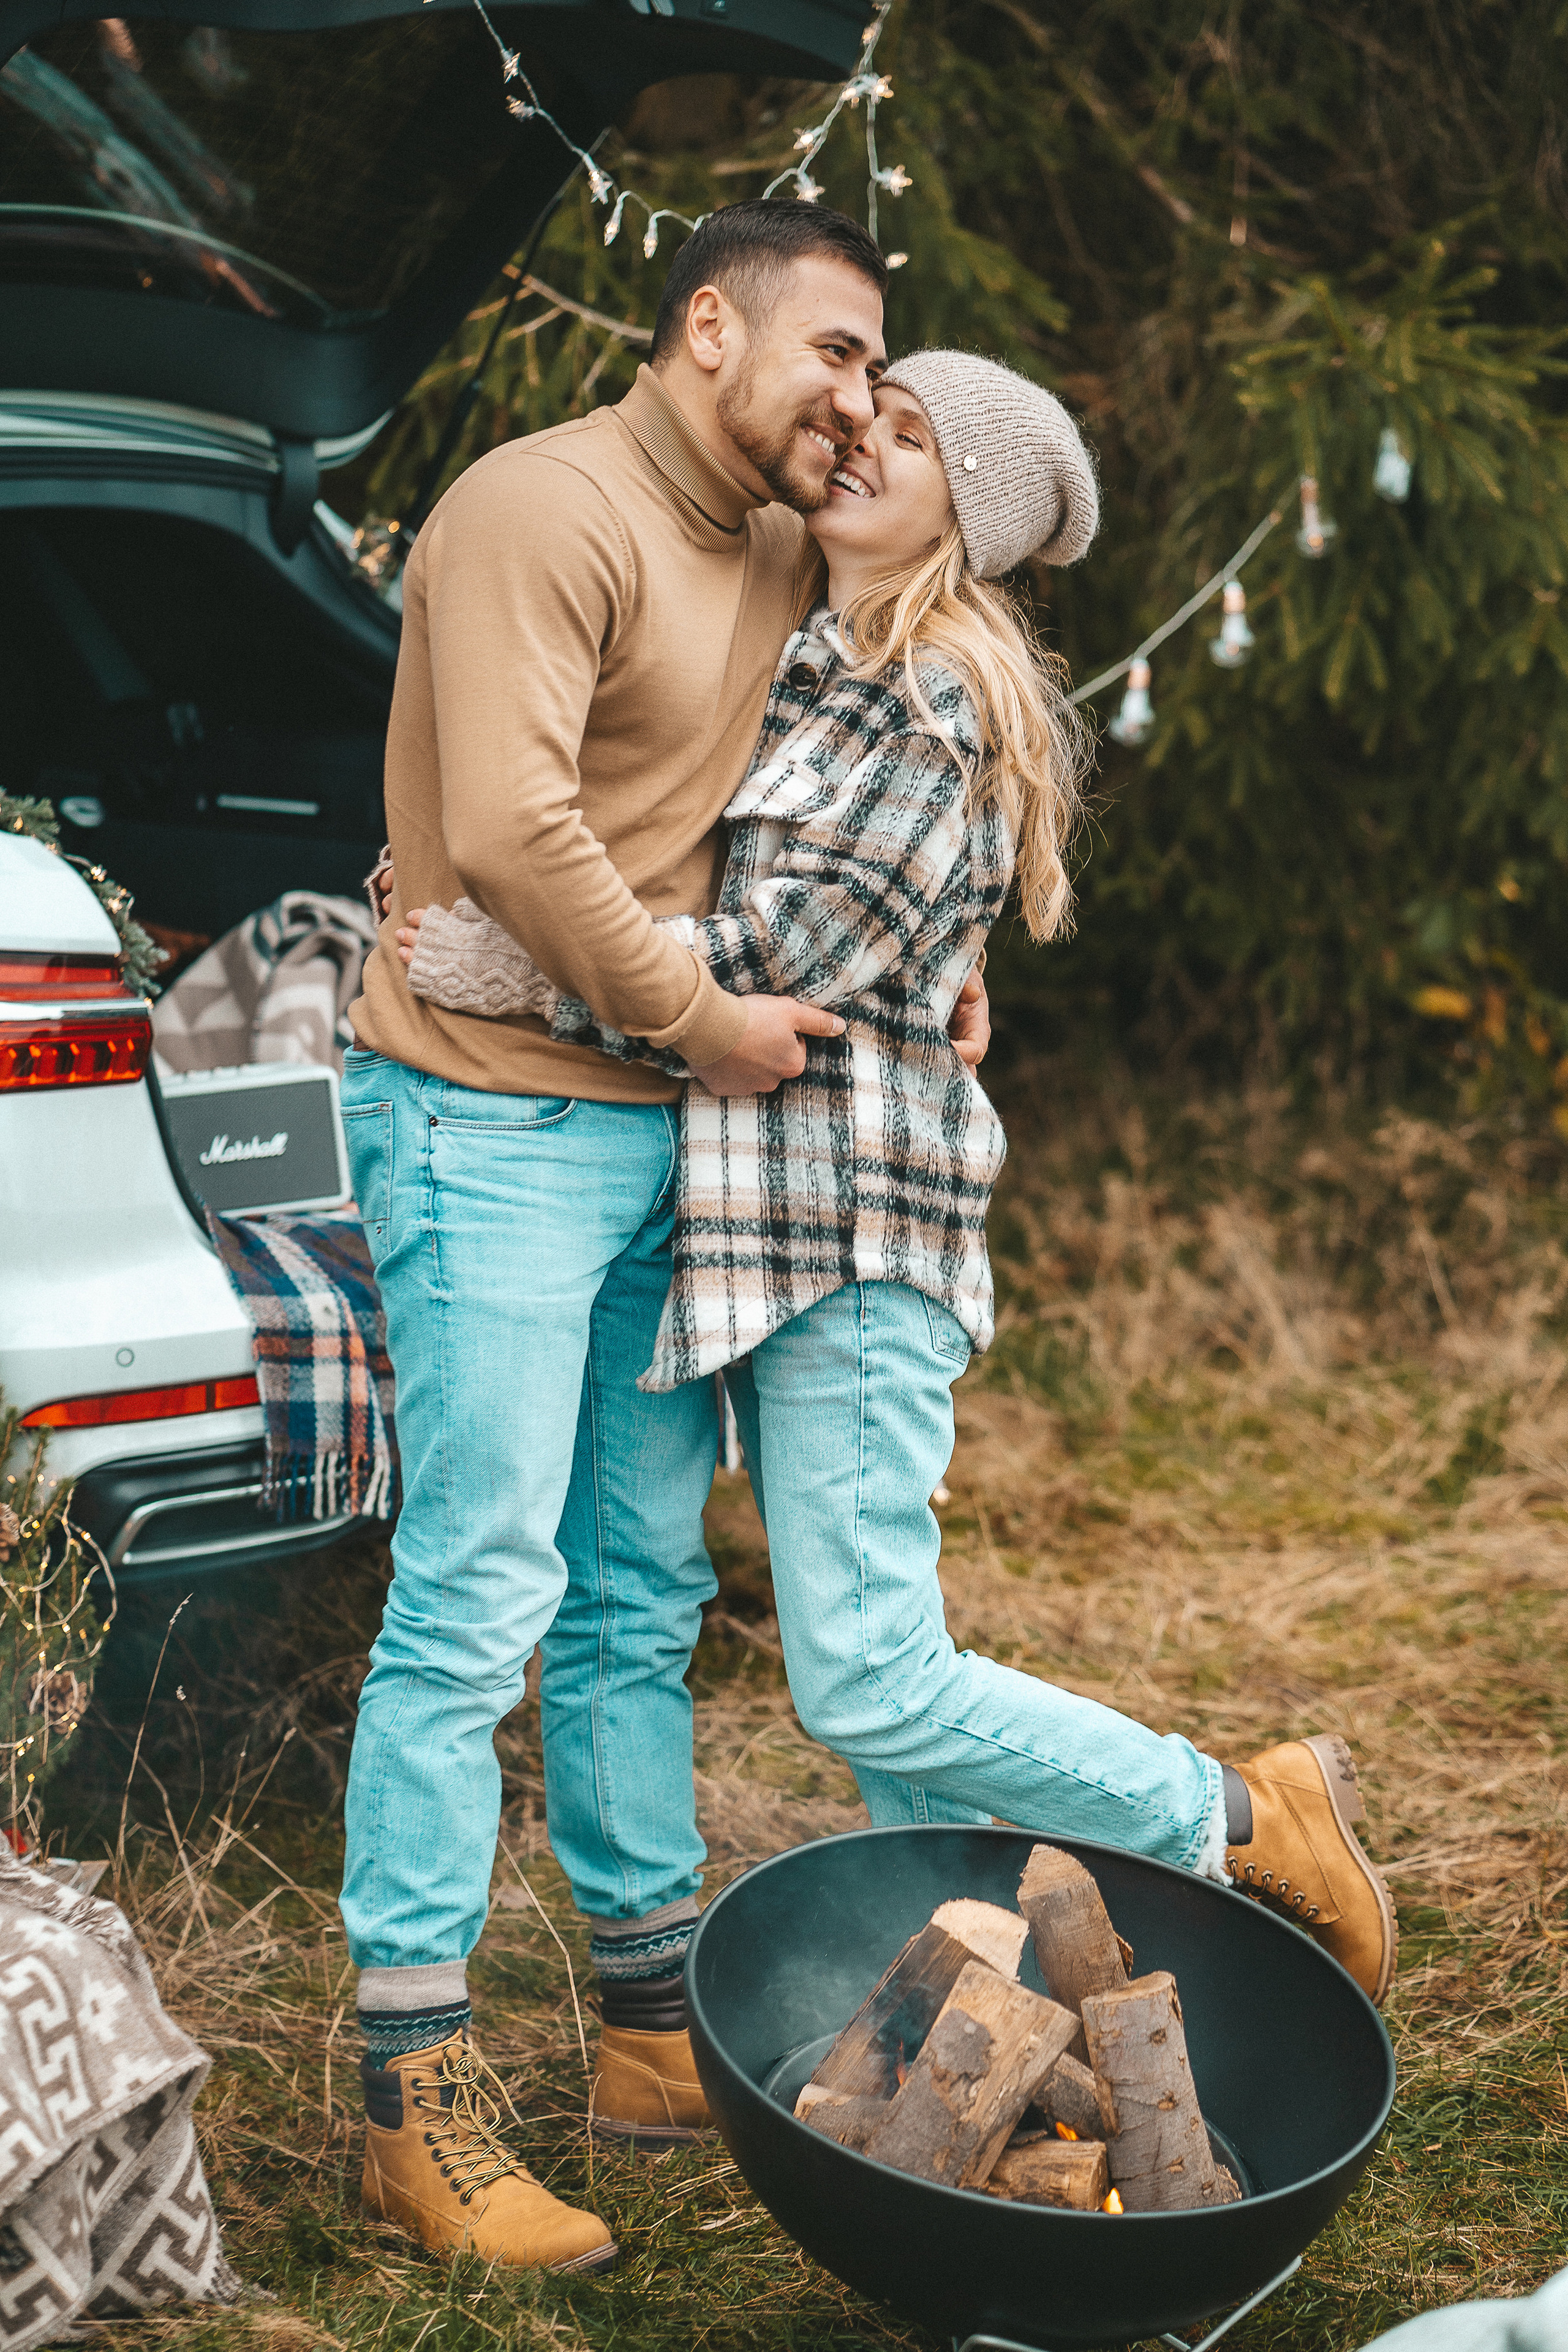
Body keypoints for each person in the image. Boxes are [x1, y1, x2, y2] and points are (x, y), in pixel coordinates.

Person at [394, 354, 1399, 2035]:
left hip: (858, 1239)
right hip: (750, 1236)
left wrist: (519, 966)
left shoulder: (936, 699)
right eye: (873, 409)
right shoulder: (803, 649)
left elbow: (772, 956)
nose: (863, 436)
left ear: (968, 519)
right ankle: (973, 2031)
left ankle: (1235, 1814)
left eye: (913, 437)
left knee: (869, 1671)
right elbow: (655, 839)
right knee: (881, 1718)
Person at [337, 201, 992, 2275]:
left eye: (879, 369)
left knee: (636, 1593)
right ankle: (410, 2097)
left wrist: (944, 962)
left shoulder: (789, 541)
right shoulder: (540, 509)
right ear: (710, 324)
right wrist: (704, 1018)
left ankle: (643, 2027)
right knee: (478, 1590)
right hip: (492, 1118)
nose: (861, 402)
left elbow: (851, 798)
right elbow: (516, 827)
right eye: (837, 352)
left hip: (678, 1152)